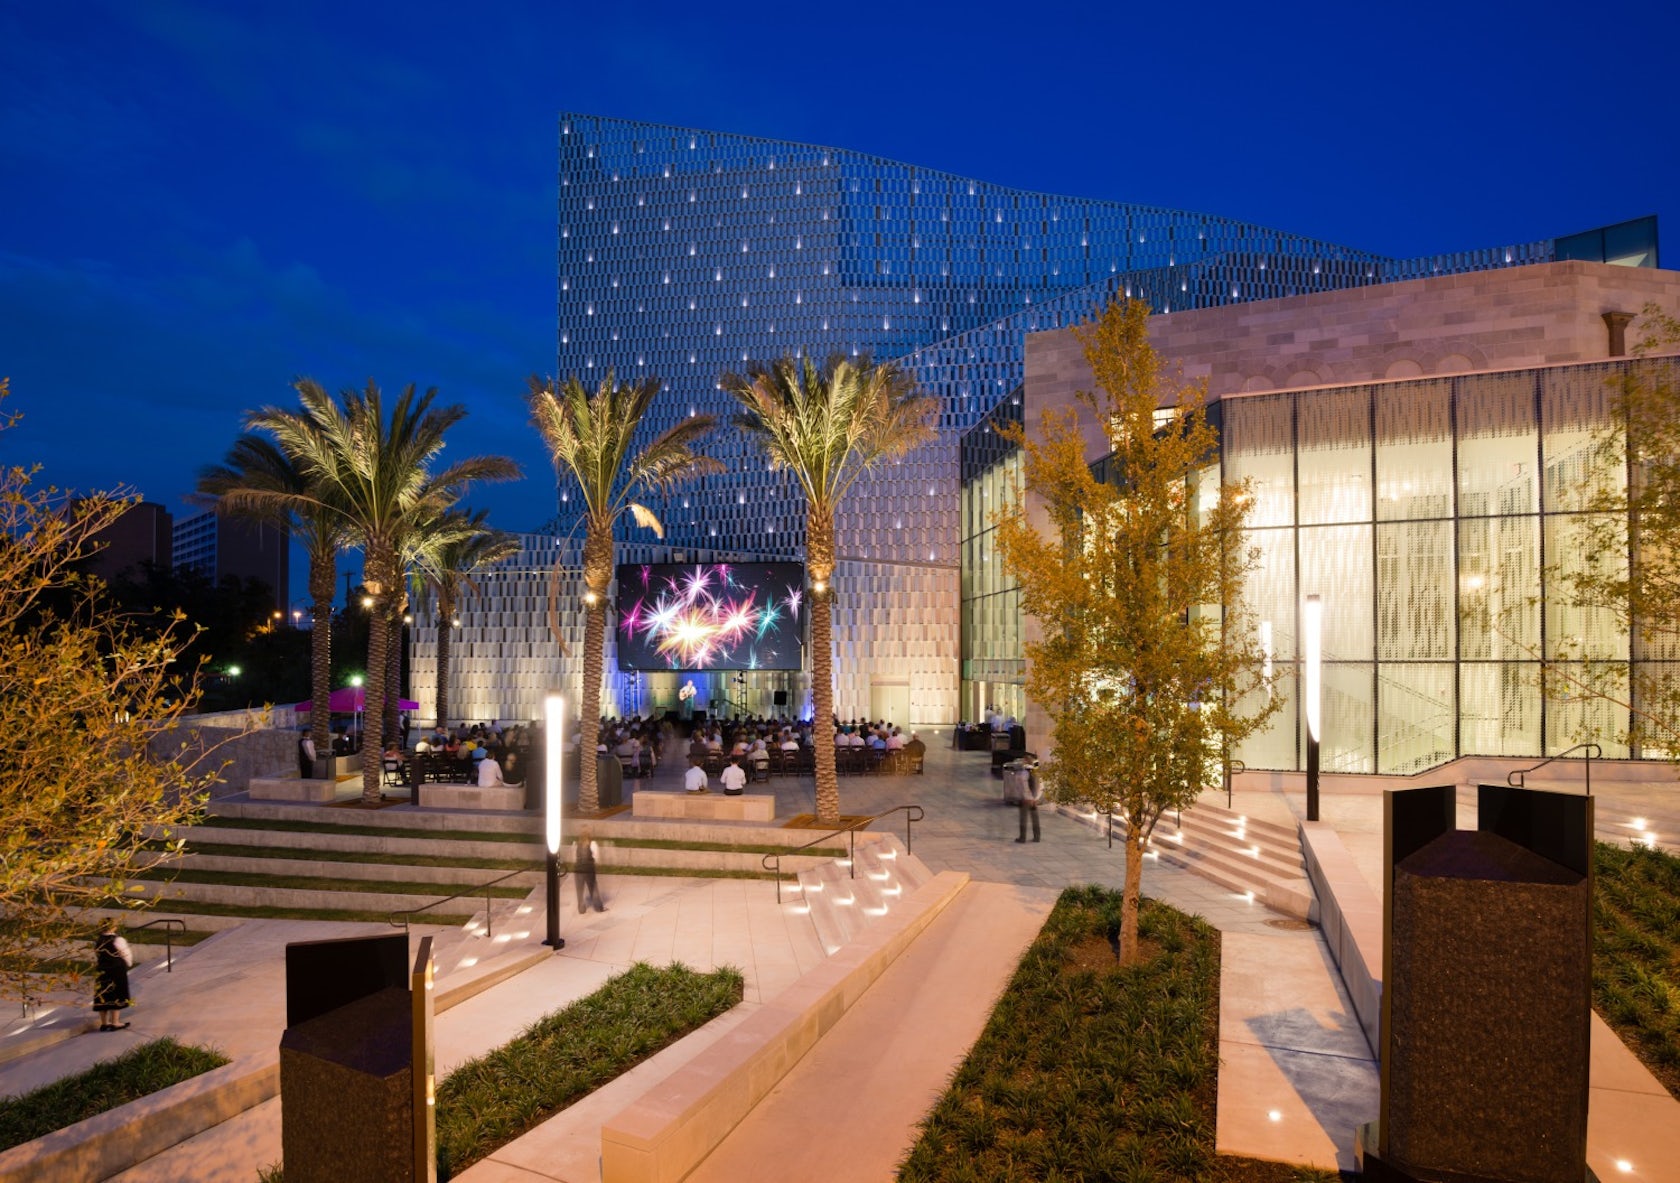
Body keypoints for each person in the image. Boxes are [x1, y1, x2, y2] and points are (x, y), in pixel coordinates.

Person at [93, 921, 133, 1031]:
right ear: (114, 927)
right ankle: (115, 1022)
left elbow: (97, 953)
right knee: (116, 993)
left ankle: (104, 1023)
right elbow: (125, 953)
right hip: (116, 969)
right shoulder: (118, 939)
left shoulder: (98, 940)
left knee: (103, 994)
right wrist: (128, 963)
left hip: (102, 969)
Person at [574, 828, 605, 912]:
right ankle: (598, 907)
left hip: (578, 869)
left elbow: (574, 858)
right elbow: (597, 857)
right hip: (589, 869)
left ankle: (581, 909)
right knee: (593, 888)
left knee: (579, 890)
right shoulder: (593, 844)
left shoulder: (576, 844)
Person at [1015, 759, 1042, 843]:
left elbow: (1025, 787)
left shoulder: (1024, 773)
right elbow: (1041, 786)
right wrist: (1036, 799)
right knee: (1035, 818)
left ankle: (1022, 838)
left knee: (1023, 818)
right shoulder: (1037, 773)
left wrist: (1028, 798)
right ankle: (1037, 837)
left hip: (1026, 800)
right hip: (1034, 800)